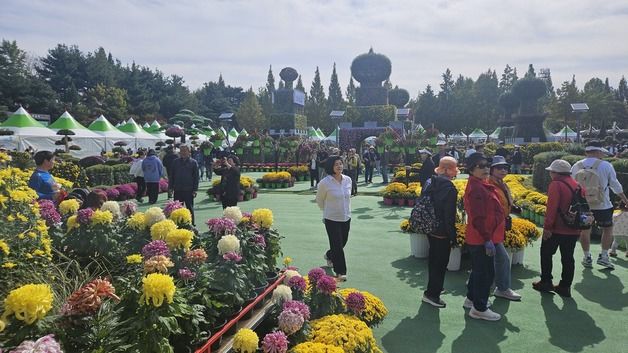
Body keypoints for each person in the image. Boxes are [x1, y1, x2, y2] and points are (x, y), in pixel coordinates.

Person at [571, 140, 628, 269]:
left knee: (585, 231)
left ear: (587, 151)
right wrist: (625, 200)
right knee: (608, 229)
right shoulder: (606, 165)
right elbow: (615, 185)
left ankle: (587, 257)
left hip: (584, 205)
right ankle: (603, 256)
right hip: (603, 204)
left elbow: (572, 185)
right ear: (598, 151)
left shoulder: (576, 166)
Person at [533, 160, 584, 297]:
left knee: (546, 253)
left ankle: (546, 281)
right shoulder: (576, 184)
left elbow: (552, 208)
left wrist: (547, 227)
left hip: (557, 228)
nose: (550, 173)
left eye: (551, 171)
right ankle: (565, 286)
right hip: (573, 228)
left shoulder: (556, 184)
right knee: (568, 258)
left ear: (555, 172)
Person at [463, 153, 504, 321]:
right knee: (485, 273)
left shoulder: (481, 184)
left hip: (483, 236)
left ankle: (472, 299)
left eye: (487, 165)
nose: (486, 168)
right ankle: (479, 308)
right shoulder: (477, 188)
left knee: (479, 271)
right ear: (472, 169)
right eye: (481, 166)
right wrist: (487, 239)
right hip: (481, 237)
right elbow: (478, 217)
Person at [421, 156, 459, 308]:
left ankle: (434, 288)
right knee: (441, 262)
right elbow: (449, 216)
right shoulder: (449, 188)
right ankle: (432, 294)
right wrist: (453, 236)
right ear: (451, 171)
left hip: (429, 226)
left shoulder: (430, 182)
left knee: (433, 260)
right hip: (442, 230)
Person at [488, 156, 522, 301]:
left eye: (505, 168)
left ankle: (499, 287)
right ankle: (501, 288)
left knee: (494, 259)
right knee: (501, 259)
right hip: (491, 227)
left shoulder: (501, 183)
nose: (503, 170)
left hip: (499, 225)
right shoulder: (488, 184)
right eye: (499, 168)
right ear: (491, 169)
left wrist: (512, 208)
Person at [316, 155, 352, 282]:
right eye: (336, 164)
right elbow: (319, 200)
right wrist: (326, 211)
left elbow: (348, 197)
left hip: (346, 216)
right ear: (331, 166)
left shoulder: (348, 180)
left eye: (341, 163)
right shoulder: (325, 183)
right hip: (331, 218)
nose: (339, 166)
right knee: (337, 244)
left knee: (343, 242)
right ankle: (341, 272)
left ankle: (329, 255)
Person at [169, 145, 199, 226]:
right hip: (177, 189)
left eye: (185, 151)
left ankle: (192, 224)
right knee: (177, 208)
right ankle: (178, 224)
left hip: (189, 189)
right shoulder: (175, 162)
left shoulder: (193, 162)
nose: (183, 152)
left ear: (189, 152)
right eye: (181, 151)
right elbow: (172, 175)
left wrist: (195, 189)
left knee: (190, 208)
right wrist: (171, 187)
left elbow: (196, 177)